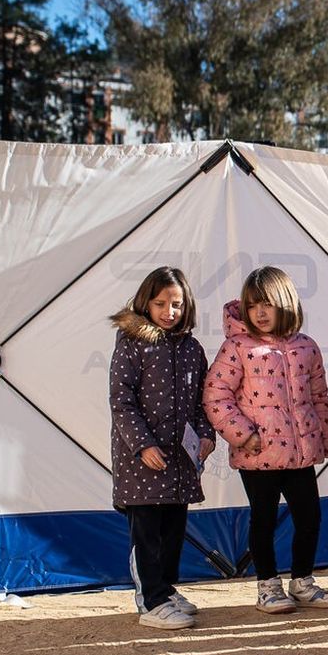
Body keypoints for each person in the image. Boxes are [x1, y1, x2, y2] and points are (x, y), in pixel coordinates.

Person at [203, 267, 328, 614]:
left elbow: (319, 398)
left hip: (300, 455)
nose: (260, 313)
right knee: (263, 520)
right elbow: (216, 395)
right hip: (258, 455)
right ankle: (267, 586)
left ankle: (302, 581)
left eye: (267, 304)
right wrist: (244, 434)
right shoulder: (237, 347)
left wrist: (324, 440)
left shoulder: (306, 347)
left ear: (286, 303)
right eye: (252, 306)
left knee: (309, 517)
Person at [108, 266, 215, 630]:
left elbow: (201, 401)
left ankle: (166, 590)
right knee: (147, 533)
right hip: (142, 462)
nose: (169, 312)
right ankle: (151, 600)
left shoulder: (192, 349)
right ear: (146, 303)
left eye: (177, 305)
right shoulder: (132, 344)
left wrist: (206, 435)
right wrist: (142, 445)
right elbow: (122, 402)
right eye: (160, 304)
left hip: (179, 461)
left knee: (173, 529)